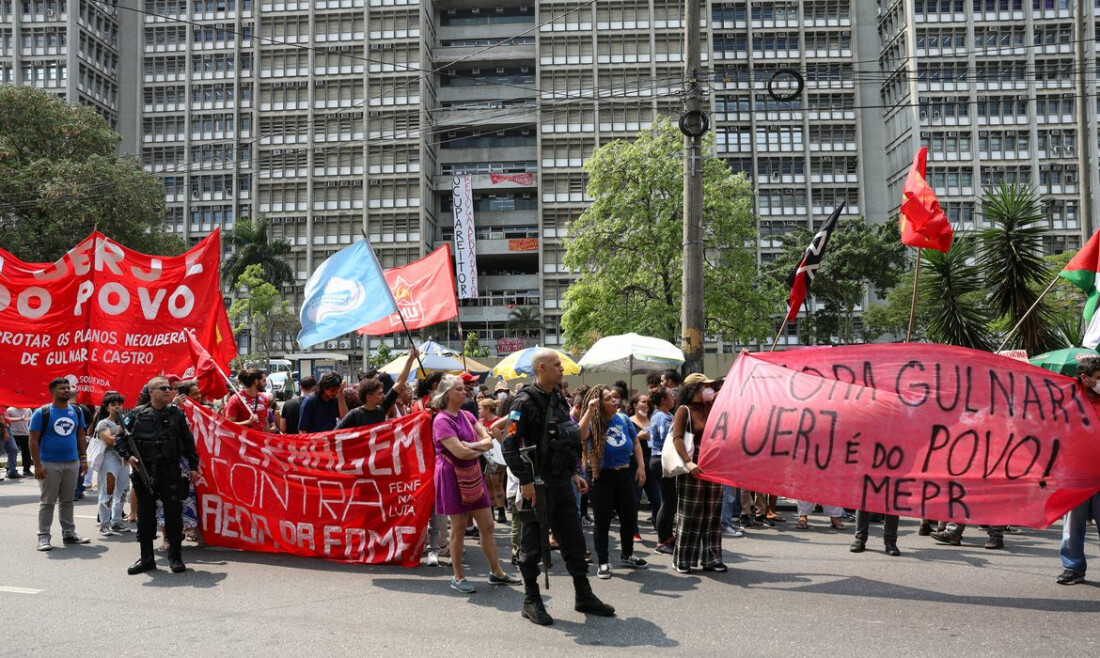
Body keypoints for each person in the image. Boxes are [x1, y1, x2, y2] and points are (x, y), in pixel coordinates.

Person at [503, 348, 615, 626]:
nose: (561, 368)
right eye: (556, 365)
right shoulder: (523, 402)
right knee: (532, 547)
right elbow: (509, 445)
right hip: (537, 486)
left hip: (562, 483)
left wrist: (574, 472)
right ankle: (531, 599)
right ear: (541, 368)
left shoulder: (559, 399)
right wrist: (526, 481)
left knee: (574, 540)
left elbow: (569, 436)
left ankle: (583, 594)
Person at [431, 374, 521, 593]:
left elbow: (489, 440)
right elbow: (460, 451)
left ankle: (496, 572)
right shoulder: (441, 420)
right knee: (459, 527)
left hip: (472, 471)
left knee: (488, 525)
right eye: (459, 389)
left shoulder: (467, 416)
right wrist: (477, 446)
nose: (464, 392)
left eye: (464, 389)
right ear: (447, 394)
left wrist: (472, 445)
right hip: (451, 474)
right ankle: (458, 577)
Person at [116, 376, 199, 574]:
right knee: (145, 518)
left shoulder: (177, 414)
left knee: (173, 517)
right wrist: (129, 457)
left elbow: (188, 442)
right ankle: (146, 559)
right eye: (163, 388)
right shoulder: (136, 414)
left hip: (170, 472)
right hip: (144, 473)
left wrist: (193, 466)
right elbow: (121, 440)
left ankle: (176, 559)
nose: (168, 391)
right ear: (151, 392)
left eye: (169, 388)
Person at [579, 386, 648, 580]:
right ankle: (603, 561)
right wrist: (589, 411)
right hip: (601, 476)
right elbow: (580, 435)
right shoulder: (593, 421)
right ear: (599, 403)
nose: (614, 401)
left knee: (629, 517)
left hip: (625, 473)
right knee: (602, 521)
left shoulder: (624, 418)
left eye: (613, 398)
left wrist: (641, 466)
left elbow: (635, 442)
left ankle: (627, 554)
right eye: (608, 399)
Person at [669, 373, 725, 574]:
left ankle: (712, 559)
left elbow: (729, 386)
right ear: (694, 389)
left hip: (714, 466)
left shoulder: (713, 407)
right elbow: (677, 438)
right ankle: (682, 559)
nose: (710, 389)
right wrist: (689, 462)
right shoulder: (684, 410)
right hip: (692, 466)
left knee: (712, 513)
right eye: (705, 386)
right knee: (690, 514)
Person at [29, 378, 90, 550]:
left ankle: (69, 534)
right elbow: (33, 440)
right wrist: (38, 465)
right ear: (52, 392)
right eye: (62, 388)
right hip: (49, 463)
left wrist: (84, 459)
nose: (66, 390)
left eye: (68, 387)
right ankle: (43, 536)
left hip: (72, 462)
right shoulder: (42, 412)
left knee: (67, 501)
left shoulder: (76, 411)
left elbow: (80, 435)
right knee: (48, 502)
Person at [1056, 357, 1100, 584]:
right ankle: (1072, 568)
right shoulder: (1068, 403)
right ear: (1085, 378)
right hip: (1075, 475)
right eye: (1099, 378)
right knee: (1072, 525)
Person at [336, 348, 417, 429]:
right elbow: (336, 434)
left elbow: (399, 383)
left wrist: (411, 359)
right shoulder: (354, 415)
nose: (383, 396)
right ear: (368, 397)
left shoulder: (382, 409)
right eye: (379, 394)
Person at [90, 392, 131, 537]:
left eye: (119, 404)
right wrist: (121, 432)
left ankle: (117, 521)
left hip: (124, 460)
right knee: (108, 491)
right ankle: (104, 524)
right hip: (109, 459)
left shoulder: (126, 421)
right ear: (107, 408)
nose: (117, 407)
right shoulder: (103, 423)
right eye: (113, 404)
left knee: (123, 491)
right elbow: (109, 441)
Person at [648, 387, 677, 553]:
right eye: (671, 396)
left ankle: (668, 536)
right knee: (667, 501)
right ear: (664, 400)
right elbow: (668, 437)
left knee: (671, 500)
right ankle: (661, 541)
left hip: (664, 459)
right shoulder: (661, 416)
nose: (673, 398)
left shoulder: (666, 415)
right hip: (661, 459)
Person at [479, 398, 508, 525]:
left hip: (497, 456)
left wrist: (491, 434)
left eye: (480, 408)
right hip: (485, 456)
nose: (479, 411)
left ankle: (501, 512)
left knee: (497, 483)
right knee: (488, 483)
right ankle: (491, 511)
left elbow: (509, 433)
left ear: (487, 409)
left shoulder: (498, 421)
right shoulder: (480, 422)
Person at [4, 407, 33, 476]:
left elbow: (30, 421)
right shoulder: (10, 410)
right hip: (14, 434)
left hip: (25, 433)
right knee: (13, 453)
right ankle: (11, 469)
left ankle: (26, 469)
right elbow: (7, 419)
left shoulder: (28, 409)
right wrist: (20, 419)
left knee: (27, 453)